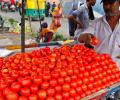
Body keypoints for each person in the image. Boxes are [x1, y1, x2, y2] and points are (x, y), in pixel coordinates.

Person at [77, 0, 120, 66]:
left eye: (111, 3)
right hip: (99, 69)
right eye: (105, 4)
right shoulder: (96, 23)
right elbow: (80, 38)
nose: (107, 7)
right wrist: (86, 37)